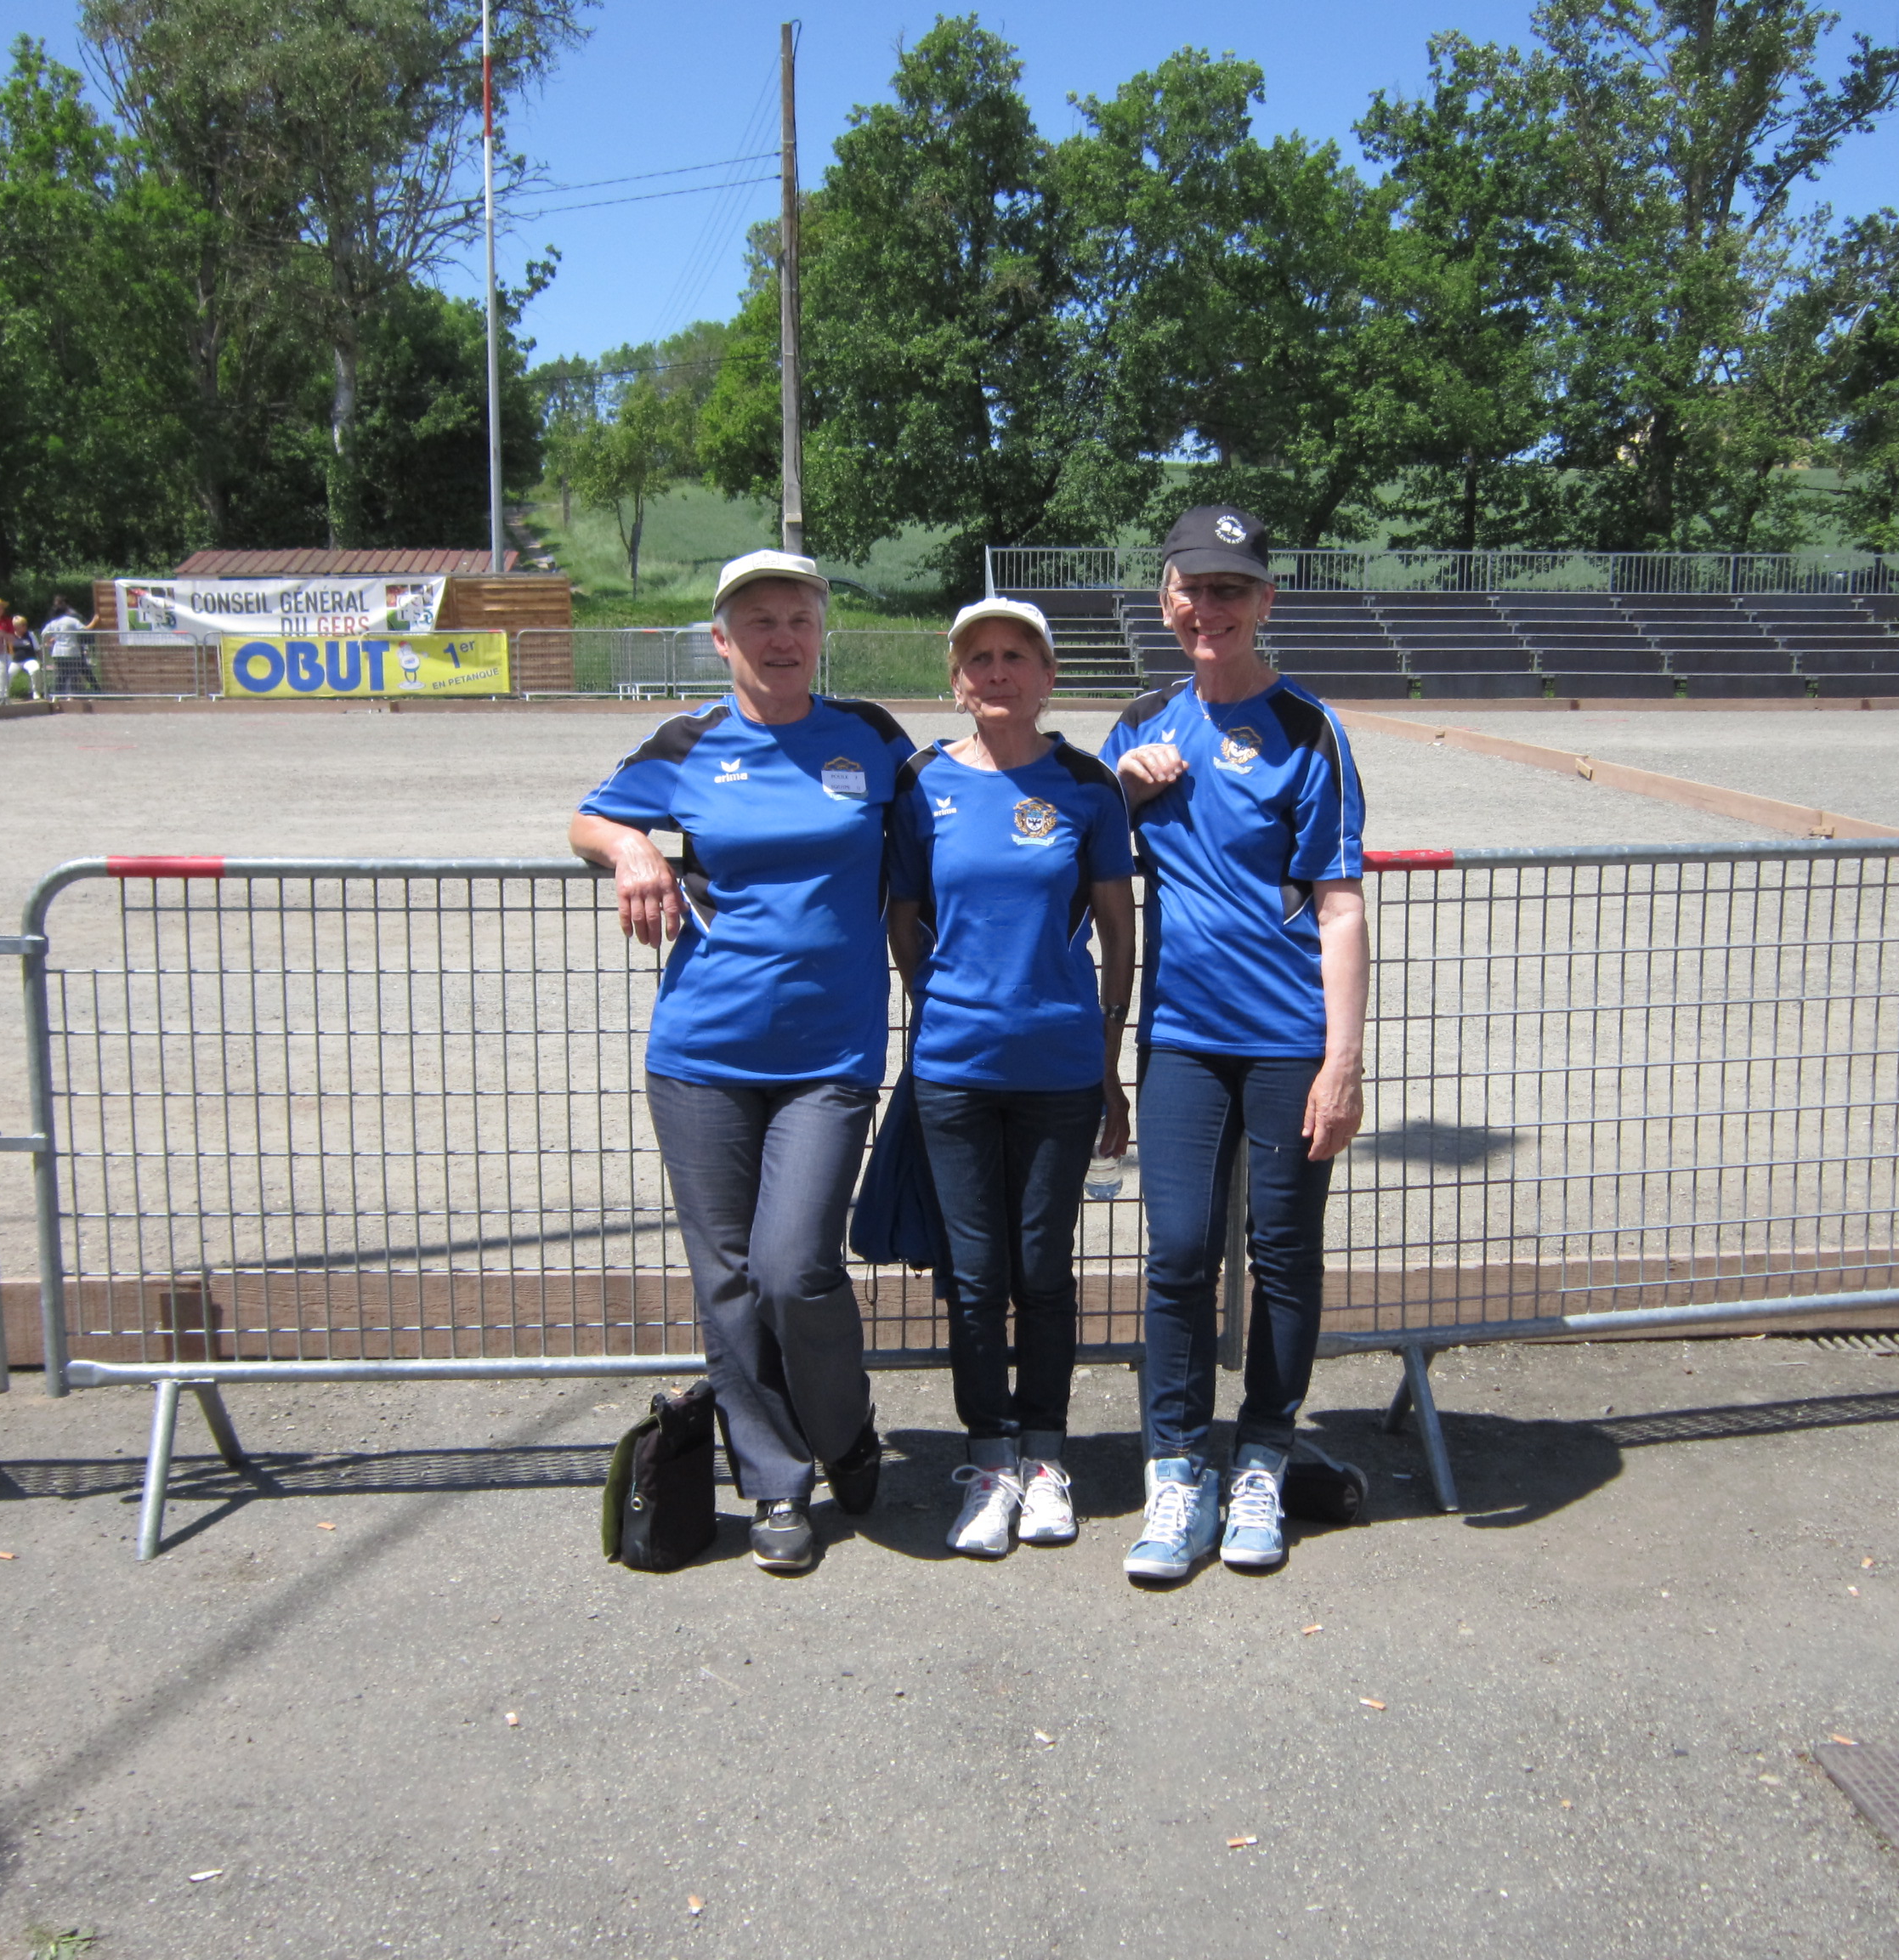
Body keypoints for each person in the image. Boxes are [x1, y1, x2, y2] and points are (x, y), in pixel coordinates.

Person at [570, 549, 915, 1574]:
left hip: (831, 1055)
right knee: (726, 1280)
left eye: (797, 618)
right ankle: (774, 1484)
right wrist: (633, 850)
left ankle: (843, 1425)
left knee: (794, 1265)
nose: (780, 636)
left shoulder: (873, 740)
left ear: (820, 632)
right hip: (702, 1054)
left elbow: (965, 805)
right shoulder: (688, 742)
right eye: (757, 620)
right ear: (721, 640)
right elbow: (590, 813)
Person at [1101, 505, 1369, 1582]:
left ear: (1266, 601)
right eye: (1191, 588)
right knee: (1175, 1253)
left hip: (1287, 1041)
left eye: (1230, 590)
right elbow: (1074, 862)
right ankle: (1176, 1470)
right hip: (1179, 1035)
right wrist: (1117, 793)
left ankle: (1261, 1454)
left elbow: (1341, 906)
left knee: (1284, 1253)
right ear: (1165, 599)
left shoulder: (1310, 732)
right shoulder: (1137, 726)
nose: (1208, 608)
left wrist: (1342, 1063)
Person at [885, 598, 1135, 1558]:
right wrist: (938, 998)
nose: (996, 673)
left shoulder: (1085, 786)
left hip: (1061, 1068)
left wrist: (1109, 1059)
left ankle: (1045, 1459)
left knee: (1041, 1270)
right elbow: (904, 915)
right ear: (956, 679)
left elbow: (1118, 929)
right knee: (978, 1276)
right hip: (954, 1070)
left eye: (1015, 658)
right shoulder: (923, 786)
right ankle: (988, 1462)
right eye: (978, 659)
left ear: (1047, 676)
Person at [41, 593, 101, 694]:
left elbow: (43, 634)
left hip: (58, 652)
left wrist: (51, 640)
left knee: (61, 675)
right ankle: (72, 695)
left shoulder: (53, 622)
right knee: (72, 674)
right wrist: (95, 621)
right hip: (72, 651)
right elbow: (85, 629)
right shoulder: (72, 620)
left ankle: (57, 695)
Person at [9, 615, 40, 697]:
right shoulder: (10, 636)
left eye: (25, 624)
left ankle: (36, 692)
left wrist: (42, 661)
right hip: (15, 661)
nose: (25, 626)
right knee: (7, 673)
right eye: (22, 625)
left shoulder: (30, 635)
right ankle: (5, 694)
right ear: (15, 627)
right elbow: (8, 651)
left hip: (29, 659)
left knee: (35, 670)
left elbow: (37, 649)